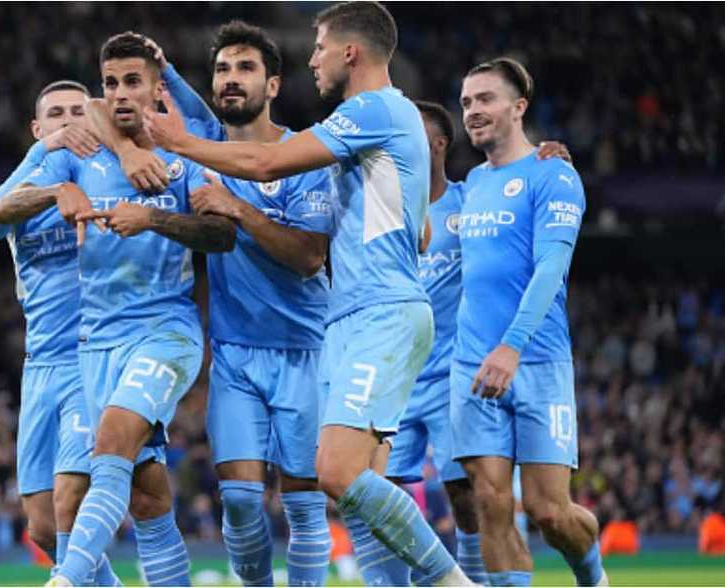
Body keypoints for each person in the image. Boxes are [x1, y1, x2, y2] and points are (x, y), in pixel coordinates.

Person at [145, 2, 473, 584]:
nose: (312, 58)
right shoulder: (384, 126)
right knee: (360, 491)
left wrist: (180, 143)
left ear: (351, 51)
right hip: (353, 317)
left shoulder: (372, 109)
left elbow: (268, 162)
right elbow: (419, 228)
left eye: (319, 46)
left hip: (379, 311)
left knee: (337, 475)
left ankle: (453, 582)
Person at [99, 23, 336, 586]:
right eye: (223, 70)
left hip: (306, 351)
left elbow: (308, 257)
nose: (231, 80)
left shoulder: (305, 156)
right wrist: (162, 70)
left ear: (273, 84)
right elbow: (96, 104)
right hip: (234, 354)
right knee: (240, 503)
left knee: (303, 505)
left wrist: (237, 209)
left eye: (245, 69)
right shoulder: (208, 147)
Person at [10, 32, 236, 587]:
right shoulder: (80, 155)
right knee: (146, 491)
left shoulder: (183, 153)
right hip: (96, 343)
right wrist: (55, 192)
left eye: (132, 82)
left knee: (110, 442)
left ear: (158, 89)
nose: (119, 94)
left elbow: (221, 236)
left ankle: (66, 582)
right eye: (110, 83)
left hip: (165, 331)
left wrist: (153, 218)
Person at [360, 101, 571, 586]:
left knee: (470, 497)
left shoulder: (470, 201)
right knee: (378, 496)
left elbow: (516, 194)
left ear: (436, 144)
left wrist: (552, 157)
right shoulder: (377, 212)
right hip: (394, 379)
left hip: (455, 377)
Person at [451, 57, 607, 587]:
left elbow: (551, 268)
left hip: (535, 360)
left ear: (519, 108)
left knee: (549, 512)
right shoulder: (471, 182)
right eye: (467, 101)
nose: (473, 111)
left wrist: (512, 346)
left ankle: (592, 574)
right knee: (491, 503)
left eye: (486, 99)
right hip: (472, 361)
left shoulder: (553, 174)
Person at [0, 80, 121, 585]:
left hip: (92, 358)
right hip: (39, 368)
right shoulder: (26, 190)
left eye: (78, 112)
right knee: (42, 527)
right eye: (56, 114)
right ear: (37, 129)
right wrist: (50, 171)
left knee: (69, 503)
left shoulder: (108, 174)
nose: (68, 121)